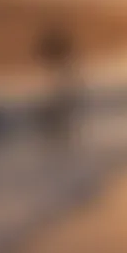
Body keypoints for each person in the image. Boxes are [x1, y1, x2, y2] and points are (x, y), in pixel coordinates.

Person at [35, 23, 79, 155]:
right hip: (57, 73)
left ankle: (57, 131)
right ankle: (57, 131)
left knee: (58, 97)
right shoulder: (57, 47)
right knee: (58, 96)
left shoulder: (56, 47)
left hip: (57, 74)